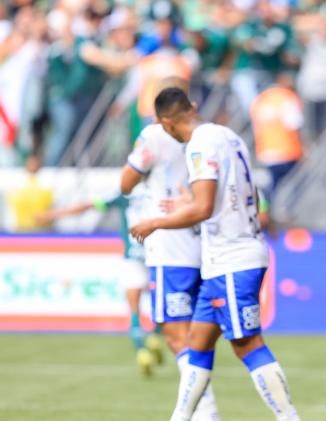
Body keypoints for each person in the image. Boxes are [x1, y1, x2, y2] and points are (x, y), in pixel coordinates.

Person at [130, 87, 299, 421]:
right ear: (191, 108)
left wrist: (156, 222)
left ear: (165, 123)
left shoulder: (199, 146)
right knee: (197, 343)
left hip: (232, 257)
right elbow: (233, 193)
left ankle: (290, 418)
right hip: (221, 259)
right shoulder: (228, 136)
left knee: (247, 345)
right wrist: (186, 203)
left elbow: (204, 207)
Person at [120, 78, 220, 420]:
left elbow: (125, 182)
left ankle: (205, 411)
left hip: (168, 243)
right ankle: (201, 409)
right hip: (200, 238)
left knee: (176, 333)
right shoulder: (209, 134)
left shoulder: (153, 136)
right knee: (192, 330)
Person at [36, 189, 160, 376]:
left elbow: (88, 206)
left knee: (134, 309)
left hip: (132, 258)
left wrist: (53, 215)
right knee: (160, 304)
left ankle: (142, 351)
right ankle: (155, 336)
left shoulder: (124, 196)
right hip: (157, 256)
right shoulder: (157, 192)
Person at [7, 154, 53, 231]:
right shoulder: (17, 185)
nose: (32, 166)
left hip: (41, 229)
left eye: (34, 164)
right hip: (21, 228)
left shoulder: (46, 186)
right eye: (30, 164)